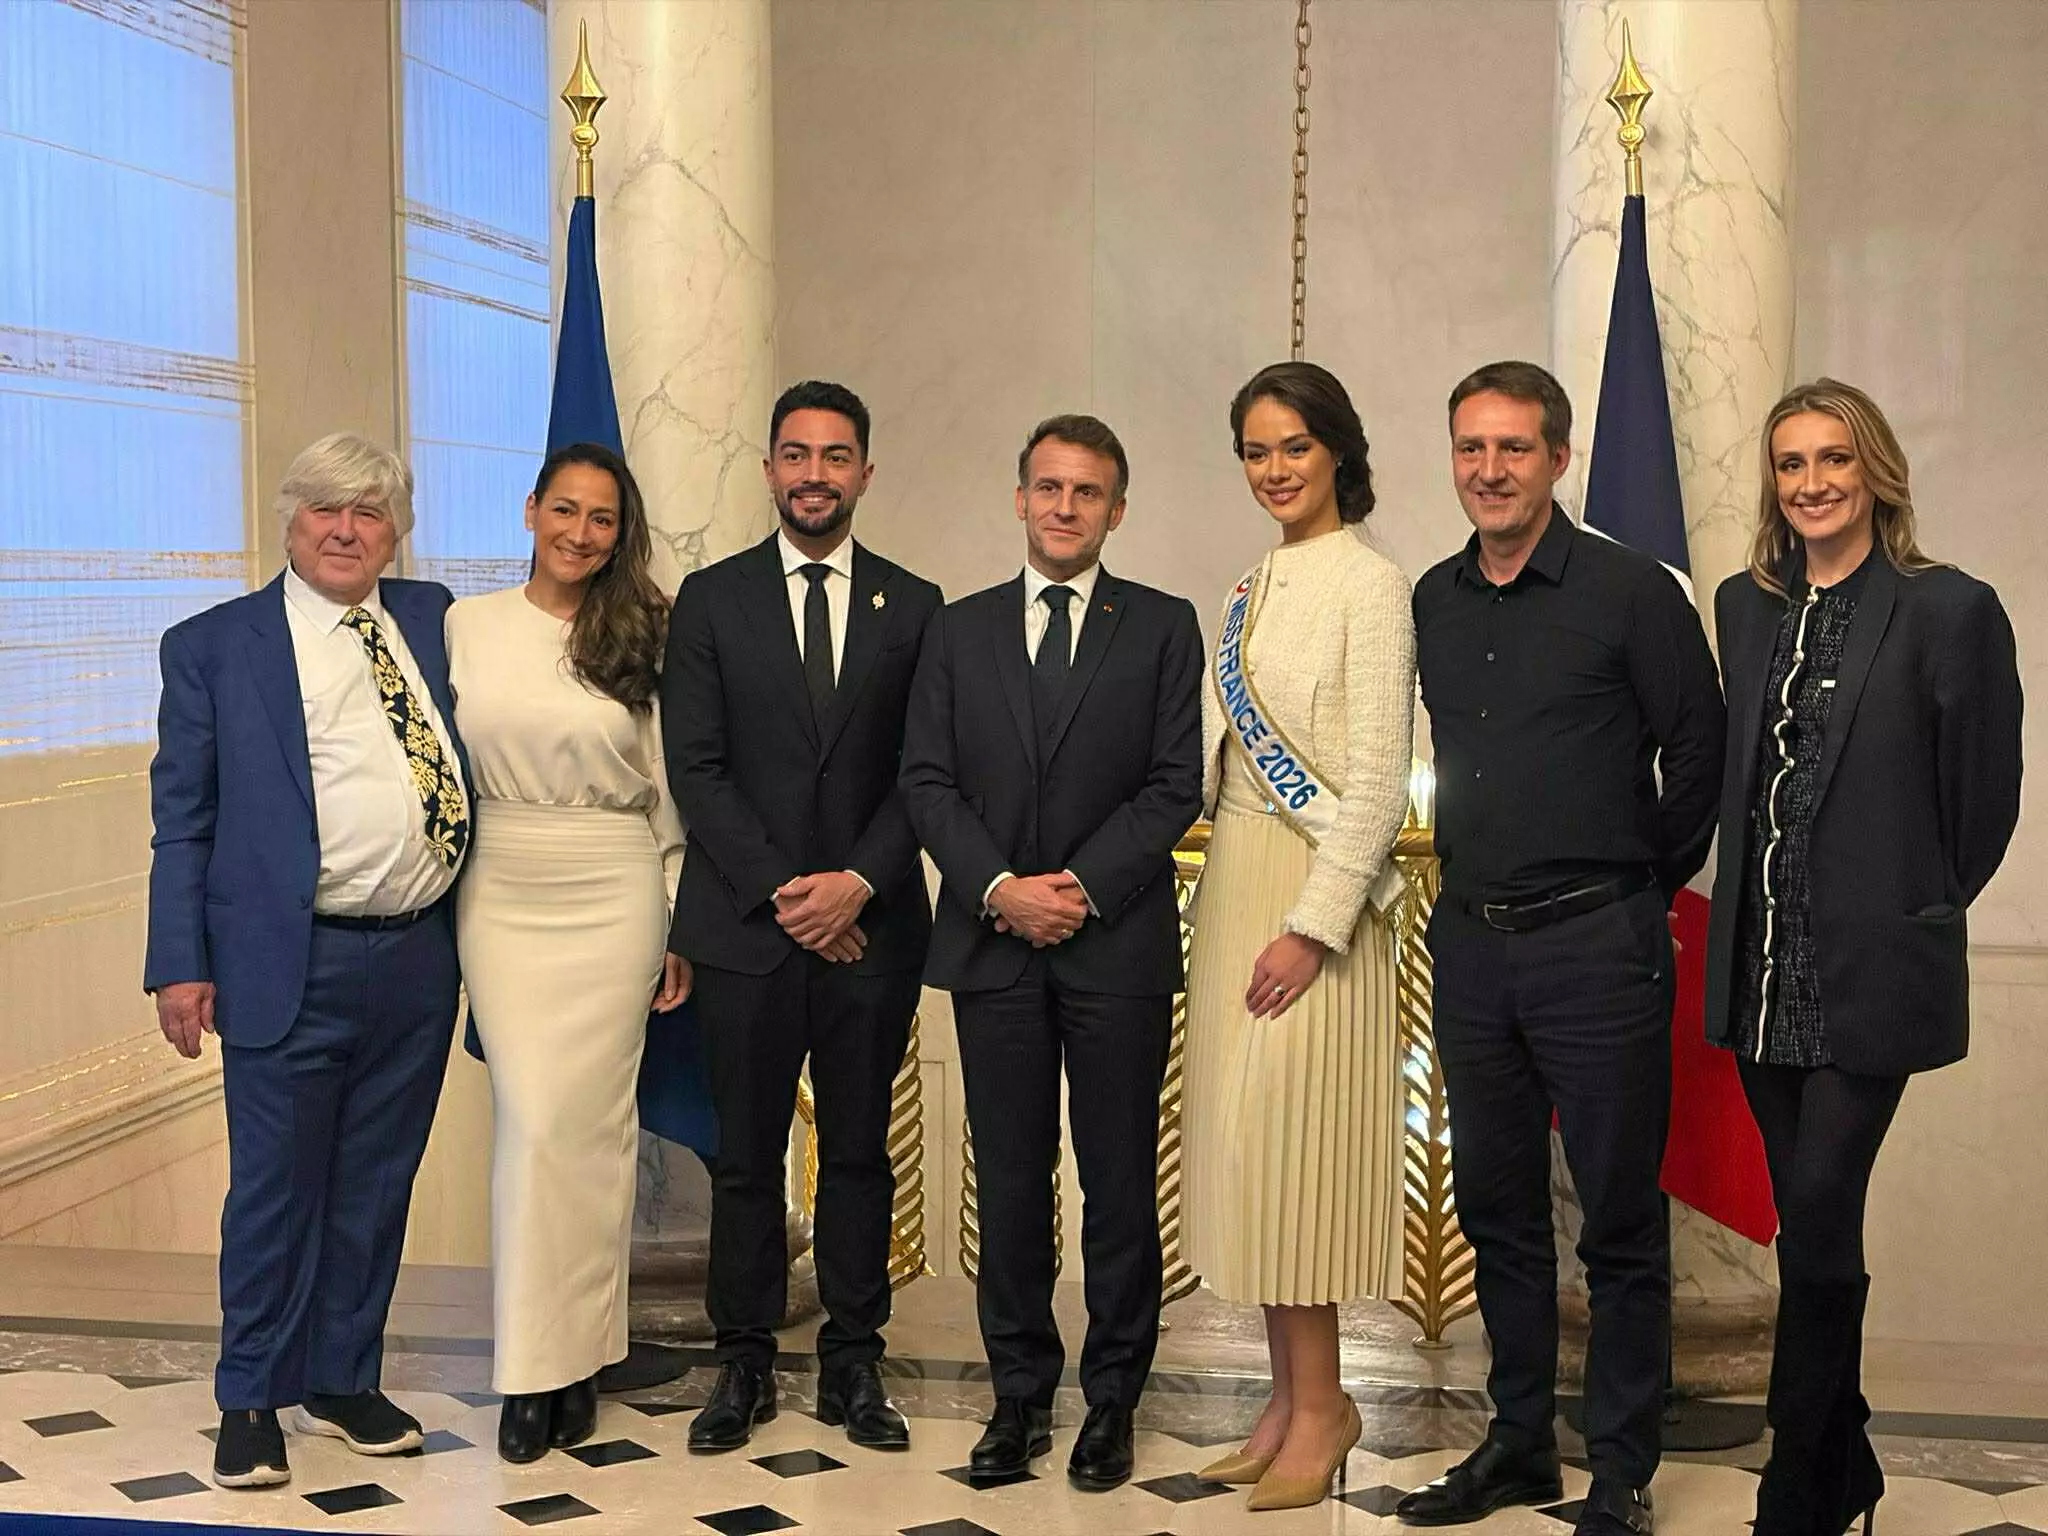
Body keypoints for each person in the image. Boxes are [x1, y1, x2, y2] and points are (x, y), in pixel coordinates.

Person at [1397, 363, 1725, 1536]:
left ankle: (1622, 1467)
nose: (1489, 470)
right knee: (1495, 1212)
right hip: (1471, 949)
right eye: (1469, 448)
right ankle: (1518, 1442)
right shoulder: (1431, 598)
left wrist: (1635, 887)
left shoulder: (1631, 593)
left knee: (1619, 1223)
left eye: (1513, 449)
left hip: (1598, 947)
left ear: (1558, 457)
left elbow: (1698, 756)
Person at [1702, 380, 2021, 1536]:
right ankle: (1847, 1463)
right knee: (1808, 1226)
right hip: (1757, 973)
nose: (1811, 483)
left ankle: (1798, 1476)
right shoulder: (1746, 605)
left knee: (1823, 1207)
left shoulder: (1947, 609)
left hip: (1866, 978)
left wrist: (1911, 907)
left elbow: (1980, 800)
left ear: (1873, 470)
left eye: (1832, 458)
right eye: (1789, 464)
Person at [144, 433, 468, 1488]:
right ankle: (249, 1398)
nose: (345, 529)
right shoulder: (215, 646)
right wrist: (177, 963)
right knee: (275, 1192)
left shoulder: (430, 621)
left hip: (418, 956)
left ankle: (340, 1380)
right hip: (289, 961)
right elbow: (181, 822)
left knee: (375, 1186)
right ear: (288, 519)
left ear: (396, 533)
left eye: (370, 513)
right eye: (326, 508)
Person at [901, 414, 1204, 1494]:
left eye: (1087, 492)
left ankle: (1112, 1399)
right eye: (1047, 487)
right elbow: (925, 779)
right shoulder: (957, 627)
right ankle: (1017, 1398)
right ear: (1018, 499)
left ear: (1116, 510)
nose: (1065, 507)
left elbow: (1176, 782)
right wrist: (997, 889)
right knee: (1013, 1184)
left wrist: (1074, 890)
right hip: (992, 949)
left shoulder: (1163, 626)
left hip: (1113, 947)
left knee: (1119, 1184)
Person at [663, 381, 942, 1455]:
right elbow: (696, 765)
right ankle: (739, 1362)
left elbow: (925, 770)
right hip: (746, 928)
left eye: (835, 456)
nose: (813, 475)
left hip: (869, 931)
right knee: (744, 1155)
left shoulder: (915, 606)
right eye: (794, 455)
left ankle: (853, 1361)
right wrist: (789, 892)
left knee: (861, 1151)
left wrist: (853, 886)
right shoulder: (710, 600)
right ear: (769, 469)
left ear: (865, 472)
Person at [1181, 362, 1415, 1511]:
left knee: (1296, 1154)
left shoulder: (1370, 586)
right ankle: (1284, 1400)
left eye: (1293, 448)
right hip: (1234, 882)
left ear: (1336, 451)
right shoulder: (1246, 585)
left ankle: (1325, 1407)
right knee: (1248, 1159)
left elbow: (1372, 785)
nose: (1274, 470)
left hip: (1310, 898)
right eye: (1254, 451)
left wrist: (1312, 927)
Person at [446, 442, 691, 1463]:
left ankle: (578, 1360)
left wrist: (674, 920)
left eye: (601, 519)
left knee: (592, 1134)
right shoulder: (464, 625)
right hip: (502, 883)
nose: (580, 533)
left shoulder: (643, 628)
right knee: (534, 1127)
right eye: (564, 511)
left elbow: (668, 784)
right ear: (529, 511)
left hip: (612, 881)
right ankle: (531, 1370)